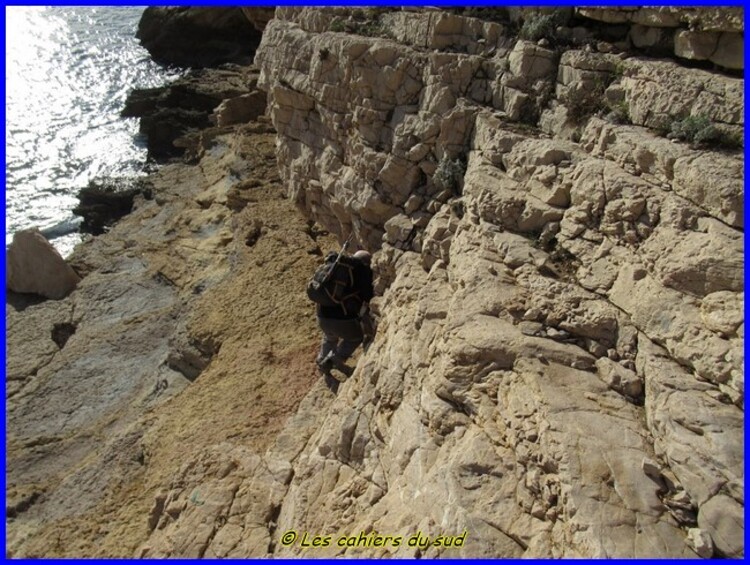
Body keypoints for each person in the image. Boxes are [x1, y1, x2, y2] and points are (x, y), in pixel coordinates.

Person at [316, 249, 374, 389]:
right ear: (366, 262)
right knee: (355, 337)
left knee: (330, 337)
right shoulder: (362, 271)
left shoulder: (338, 267)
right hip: (341, 320)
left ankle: (321, 359)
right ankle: (333, 360)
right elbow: (368, 297)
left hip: (321, 315)